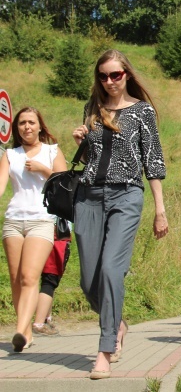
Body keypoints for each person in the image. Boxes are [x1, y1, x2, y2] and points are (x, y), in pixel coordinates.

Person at [71, 49, 169, 379]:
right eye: (103, 76)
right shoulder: (92, 108)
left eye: (115, 75)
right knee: (89, 282)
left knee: (112, 270)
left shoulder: (142, 112)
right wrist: (82, 139)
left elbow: (153, 161)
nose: (109, 81)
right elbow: (89, 159)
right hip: (88, 197)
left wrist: (160, 210)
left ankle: (104, 348)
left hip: (126, 195)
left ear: (126, 74)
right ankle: (118, 323)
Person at [0, 106, 67, 352]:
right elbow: (1, 186)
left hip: (42, 219)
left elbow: (64, 185)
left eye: (31, 122)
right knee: (16, 279)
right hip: (14, 220)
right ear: (16, 128)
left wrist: (43, 170)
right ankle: (26, 334)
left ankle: (19, 329)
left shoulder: (52, 150)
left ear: (40, 126)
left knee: (30, 277)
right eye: (22, 123)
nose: (27, 127)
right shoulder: (10, 154)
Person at [33, 232, 72, 335]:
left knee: (42, 281)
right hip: (57, 237)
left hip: (37, 236)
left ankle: (47, 318)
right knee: (49, 282)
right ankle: (39, 323)